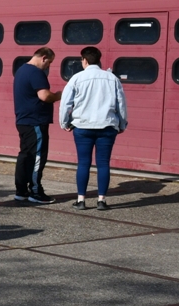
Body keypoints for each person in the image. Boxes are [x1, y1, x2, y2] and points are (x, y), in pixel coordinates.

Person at [59, 46, 127, 211]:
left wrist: (64, 123)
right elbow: (121, 104)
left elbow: (65, 103)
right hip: (107, 126)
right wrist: (122, 124)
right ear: (99, 60)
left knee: (83, 162)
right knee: (103, 163)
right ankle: (101, 200)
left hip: (82, 126)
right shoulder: (112, 79)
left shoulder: (77, 78)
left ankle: (81, 200)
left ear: (84, 60)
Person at [13, 47, 62, 204]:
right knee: (37, 156)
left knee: (25, 155)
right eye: (49, 62)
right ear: (43, 57)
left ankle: (21, 190)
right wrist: (59, 95)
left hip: (24, 120)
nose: (48, 66)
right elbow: (44, 96)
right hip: (35, 121)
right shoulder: (36, 72)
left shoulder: (21, 70)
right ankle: (35, 191)